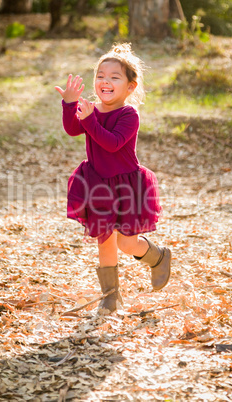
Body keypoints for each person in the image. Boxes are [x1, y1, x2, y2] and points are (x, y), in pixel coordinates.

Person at [55, 43, 171, 314]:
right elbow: (73, 129)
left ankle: (158, 255)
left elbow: (112, 143)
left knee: (126, 242)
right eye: (101, 76)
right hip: (97, 184)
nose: (105, 82)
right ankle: (110, 296)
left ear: (130, 87)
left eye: (114, 77)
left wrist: (89, 120)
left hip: (125, 185)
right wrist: (70, 104)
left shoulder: (129, 114)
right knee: (105, 239)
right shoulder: (90, 109)